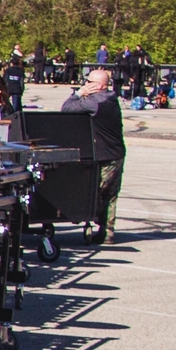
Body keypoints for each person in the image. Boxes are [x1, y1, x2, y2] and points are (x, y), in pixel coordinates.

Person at [62, 65, 124, 237]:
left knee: (93, 192)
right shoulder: (110, 98)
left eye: (88, 82)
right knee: (110, 196)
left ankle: (92, 221)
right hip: (115, 153)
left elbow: (67, 108)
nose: (85, 84)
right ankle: (107, 231)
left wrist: (79, 93)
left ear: (98, 85)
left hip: (105, 156)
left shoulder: (96, 101)